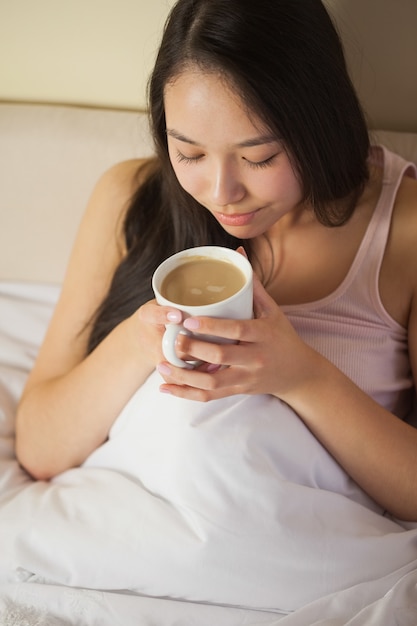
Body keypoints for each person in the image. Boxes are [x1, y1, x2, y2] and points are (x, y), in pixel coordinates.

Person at [15, 0, 417, 522]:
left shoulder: (402, 230)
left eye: (259, 158)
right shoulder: (129, 198)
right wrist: (141, 341)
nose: (222, 193)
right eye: (190, 154)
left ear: (320, 124)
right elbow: (41, 447)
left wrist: (303, 377)